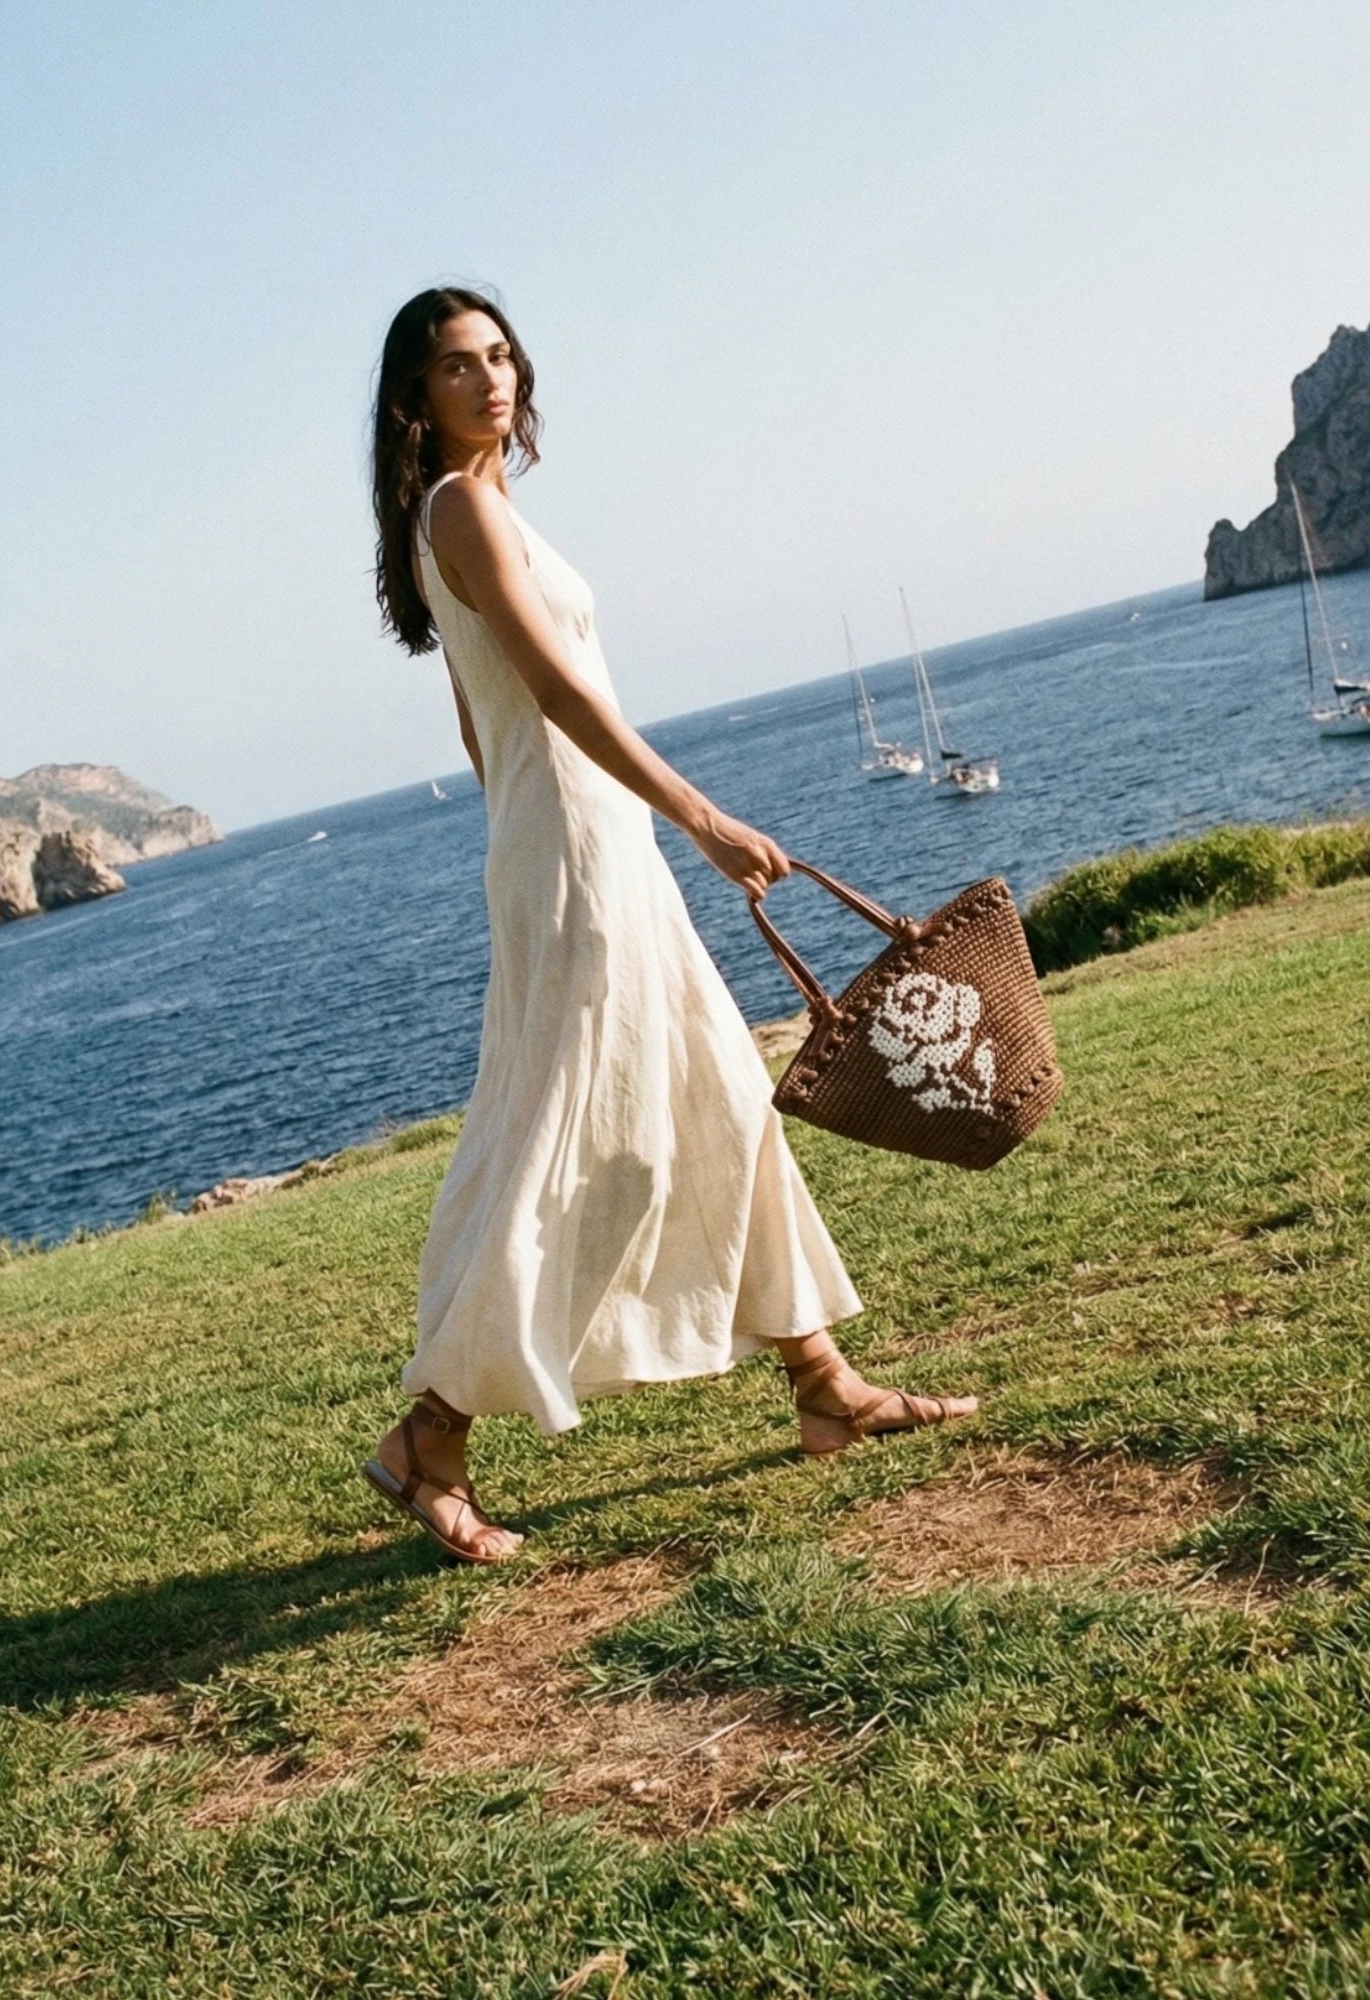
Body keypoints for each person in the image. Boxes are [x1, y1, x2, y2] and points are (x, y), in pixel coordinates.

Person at [362, 285, 977, 1563]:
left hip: (582, 845)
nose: (492, 380)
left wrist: (558, 830)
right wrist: (696, 813)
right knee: (577, 1132)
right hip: (583, 855)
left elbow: (484, 723)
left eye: (501, 355)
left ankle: (822, 1379)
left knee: (716, 1094)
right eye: (458, 367)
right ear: (415, 401)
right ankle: (430, 1429)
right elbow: (550, 689)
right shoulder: (462, 507)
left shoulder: (480, 511)